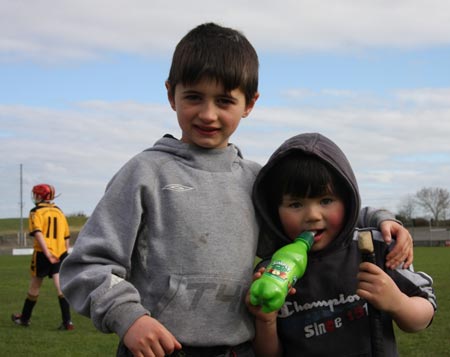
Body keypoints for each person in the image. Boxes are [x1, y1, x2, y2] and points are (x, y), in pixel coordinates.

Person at [60, 23, 413, 357]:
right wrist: (129, 317)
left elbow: (312, 218)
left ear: (250, 104)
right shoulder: (144, 174)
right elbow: (85, 266)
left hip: (242, 350)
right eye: (194, 97)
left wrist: (378, 218)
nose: (208, 114)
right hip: (160, 349)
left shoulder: (257, 182)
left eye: (224, 101)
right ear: (171, 94)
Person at [247, 133, 437, 357]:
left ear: (347, 201)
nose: (312, 215)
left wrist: (398, 303)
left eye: (326, 201)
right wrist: (265, 321)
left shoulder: (373, 247)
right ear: (274, 210)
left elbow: (423, 316)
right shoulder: (273, 270)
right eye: (295, 204)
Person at [12, 183, 74, 330]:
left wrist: (47, 253)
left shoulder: (35, 212)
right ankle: (67, 322)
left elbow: (38, 233)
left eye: (36, 194)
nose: (34, 197)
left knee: (35, 286)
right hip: (60, 253)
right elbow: (66, 236)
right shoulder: (59, 212)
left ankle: (25, 319)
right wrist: (65, 254)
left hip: (43, 254)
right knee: (60, 288)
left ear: (40, 196)